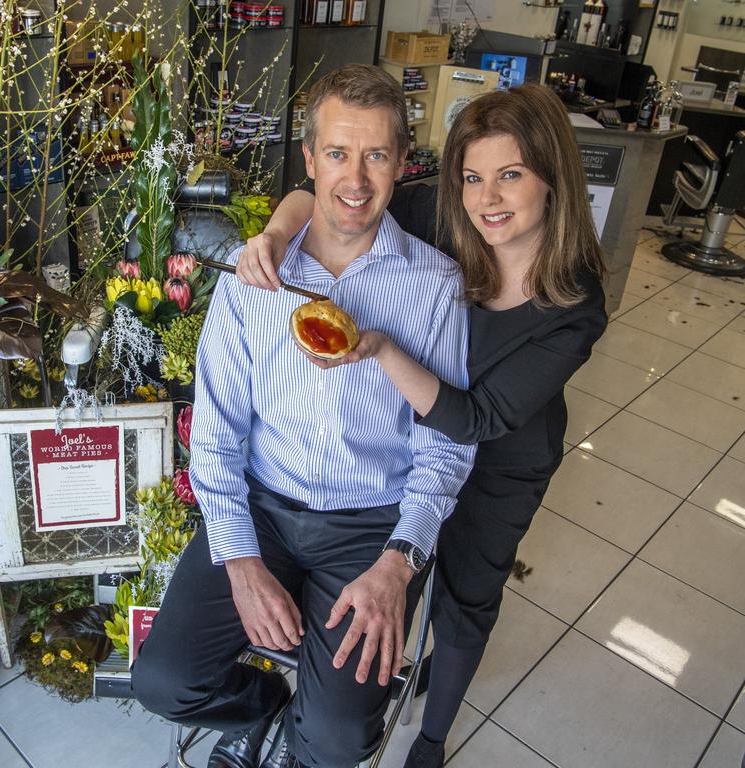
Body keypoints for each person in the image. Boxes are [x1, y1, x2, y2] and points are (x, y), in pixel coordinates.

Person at [237, 84, 608, 768]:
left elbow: (479, 417)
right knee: (400, 571)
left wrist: (379, 347)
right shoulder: (444, 216)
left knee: (466, 598)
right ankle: (351, 696)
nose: (487, 198)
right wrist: (275, 234)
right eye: (473, 176)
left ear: (553, 178)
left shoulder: (574, 303)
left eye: (510, 176)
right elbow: (322, 201)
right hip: (408, 445)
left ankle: (433, 737)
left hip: (502, 456)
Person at [132, 63, 477, 768]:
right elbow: (218, 437)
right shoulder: (252, 283)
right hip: (263, 509)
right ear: (309, 159)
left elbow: (446, 448)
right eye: (339, 153)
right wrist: (239, 562)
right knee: (164, 681)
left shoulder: (436, 286)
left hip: (369, 529)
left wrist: (398, 564)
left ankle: (306, 736)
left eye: (377, 154)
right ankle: (265, 714)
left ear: (402, 162)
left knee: (338, 742)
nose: (356, 178)